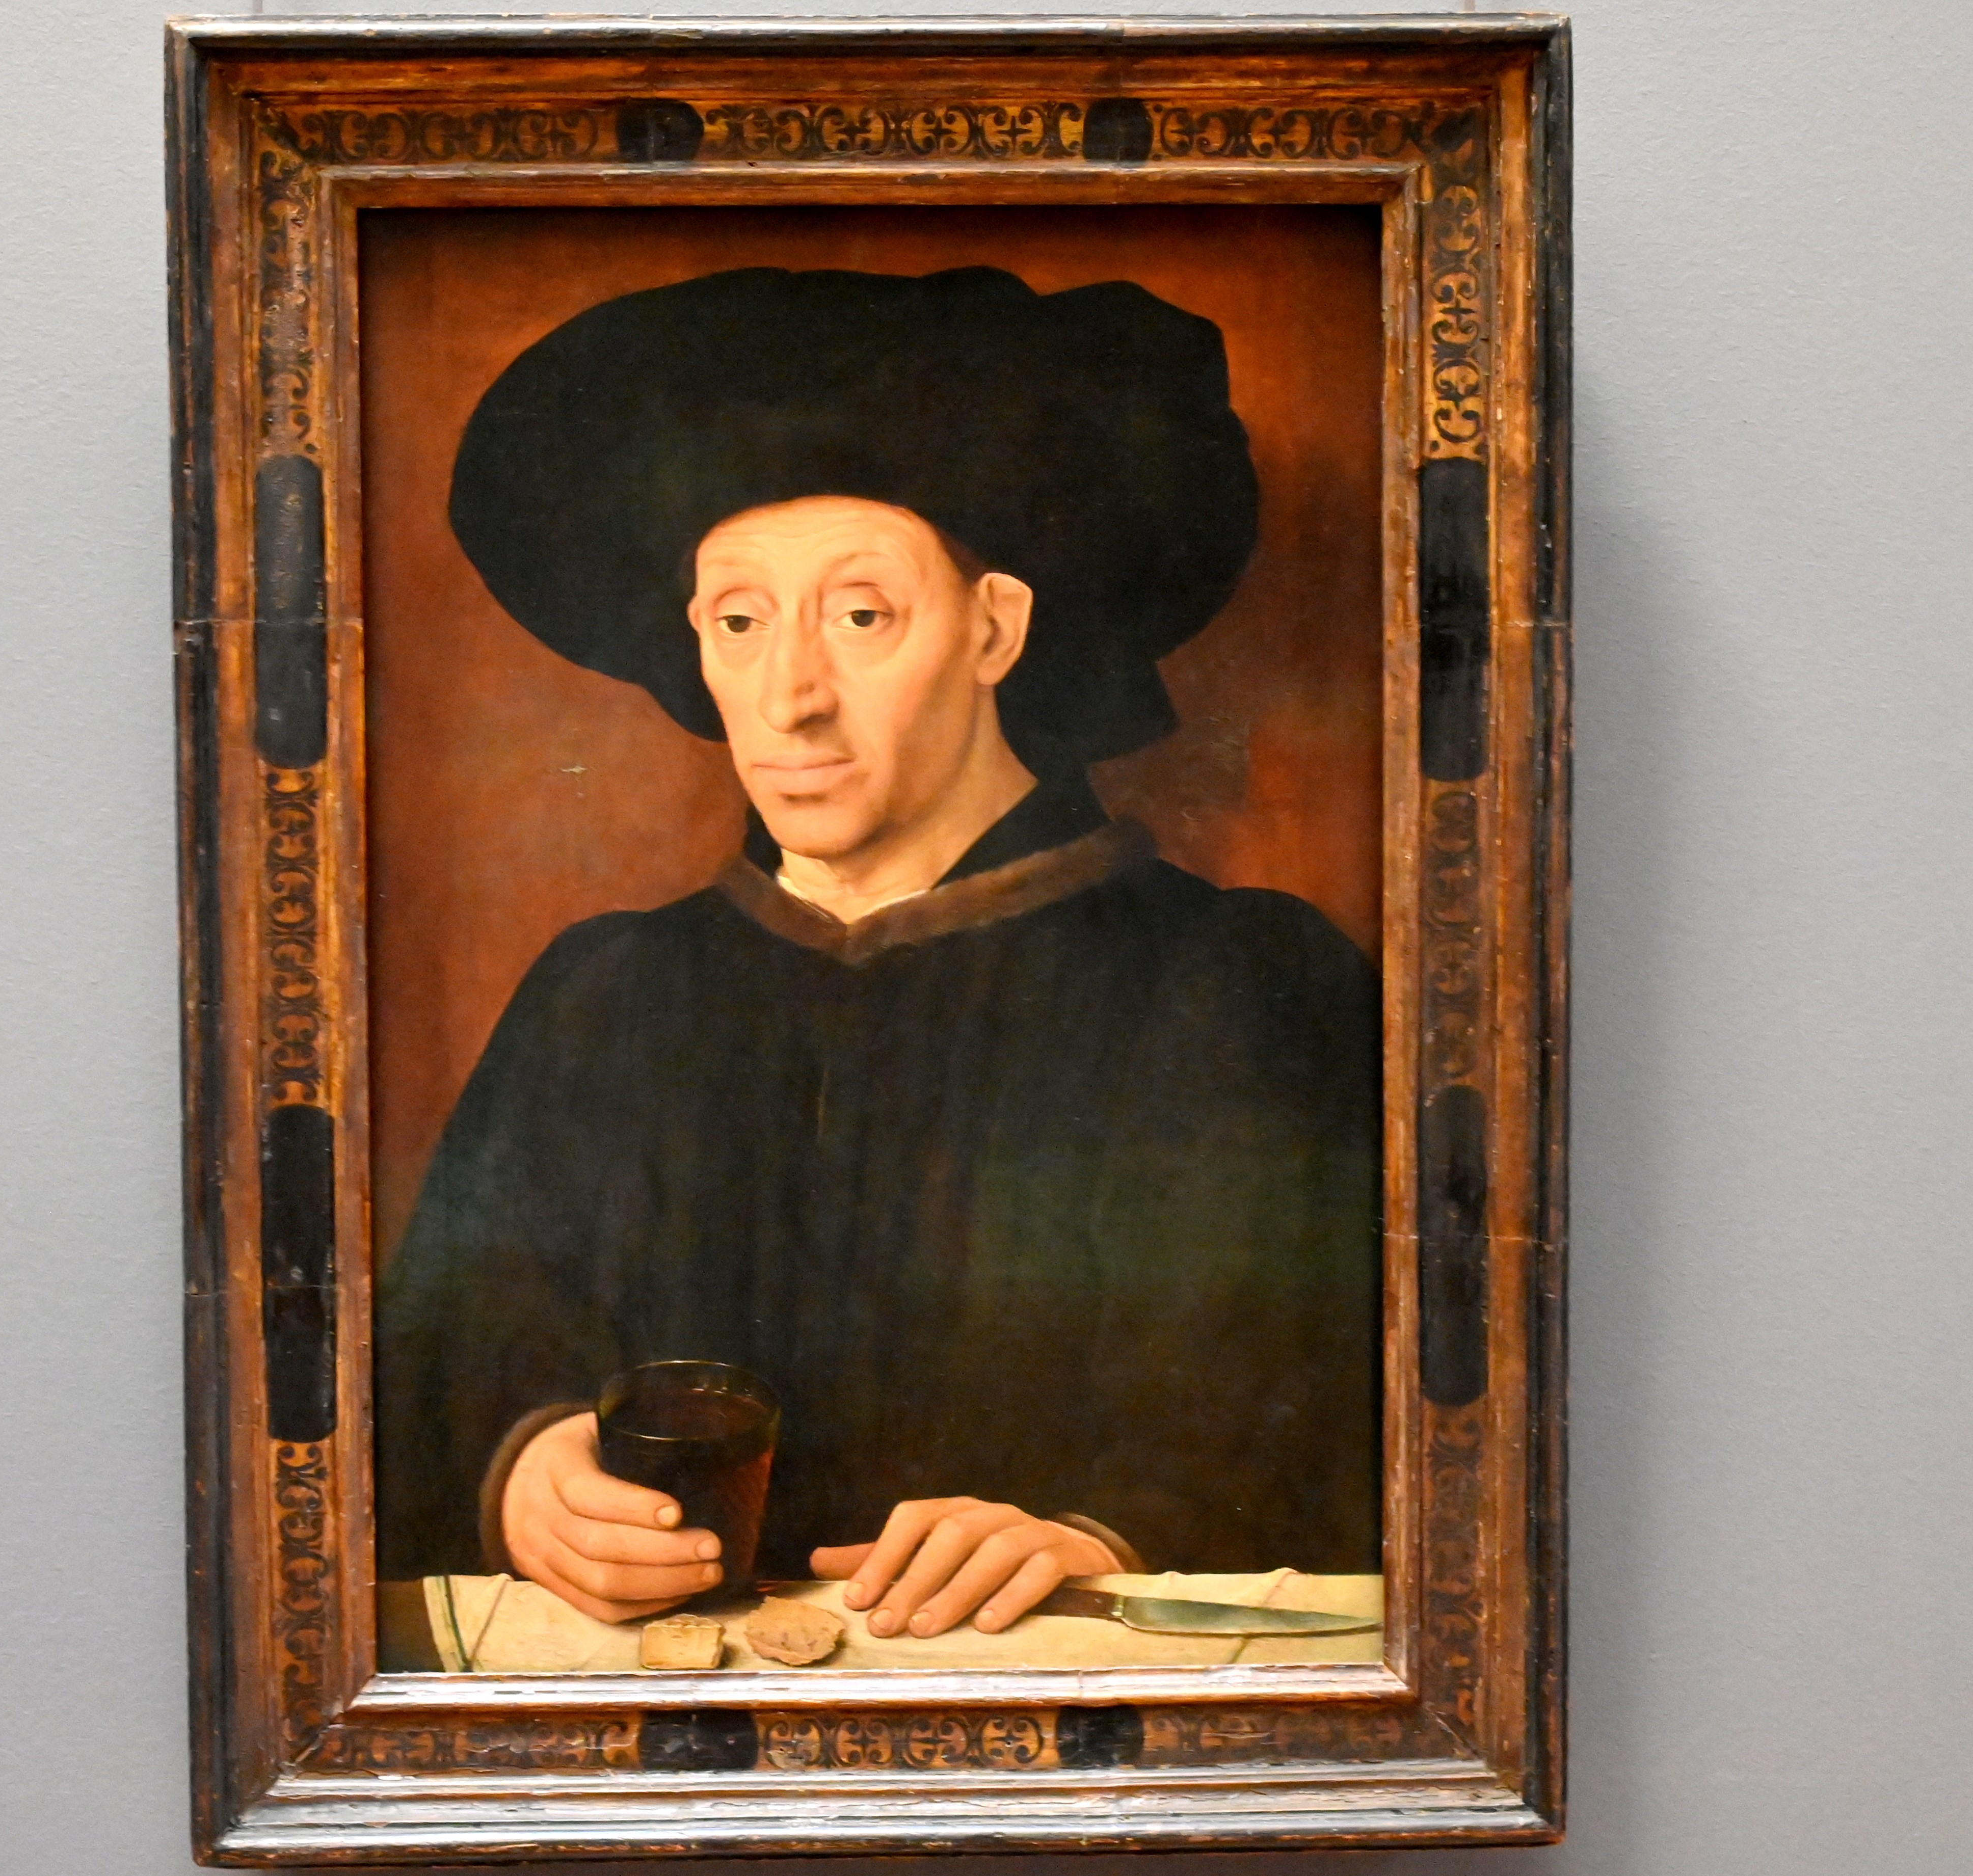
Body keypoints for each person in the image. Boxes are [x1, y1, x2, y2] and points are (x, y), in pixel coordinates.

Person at [374, 266, 1380, 1645]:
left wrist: (1101, 1535)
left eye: (861, 616)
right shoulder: (601, 994)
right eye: (740, 622)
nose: (789, 696)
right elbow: (444, 1364)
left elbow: (1318, 1415)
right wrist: (527, 1471)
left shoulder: (1238, 984)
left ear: (994, 629)